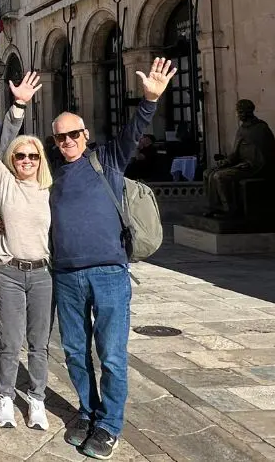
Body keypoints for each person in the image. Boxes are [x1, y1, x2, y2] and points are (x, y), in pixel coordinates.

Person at [48, 58, 175, 459]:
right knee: (73, 350)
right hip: (66, 275)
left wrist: (150, 100)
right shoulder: (50, 175)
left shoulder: (109, 160)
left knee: (113, 354)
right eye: (60, 137)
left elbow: (134, 130)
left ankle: (109, 424)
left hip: (107, 273)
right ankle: (87, 411)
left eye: (73, 134)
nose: (67, 141)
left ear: (85, 134)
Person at [0, 74, 54, 432]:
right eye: (20, 155)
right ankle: (6, 395)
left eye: (32, 155)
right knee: (10, 340)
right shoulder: (5, 182)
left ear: (40, 160)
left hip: (42, 273)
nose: (25, 159)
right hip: (9, 271)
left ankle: (36, 399)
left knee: (39, 343)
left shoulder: (49, 191)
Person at [204, 99, 275, 217]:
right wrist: (226, 161)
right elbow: (235, 152)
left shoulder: (261, 129)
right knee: (208, 173)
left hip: (253, 167)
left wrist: (251, 164)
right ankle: (215, 207)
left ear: (246, 112)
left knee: (219, 176)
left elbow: (266, 154)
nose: (237, 115)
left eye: (239, 112)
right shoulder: (242, 129)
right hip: (241, 165)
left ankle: (230, 210)